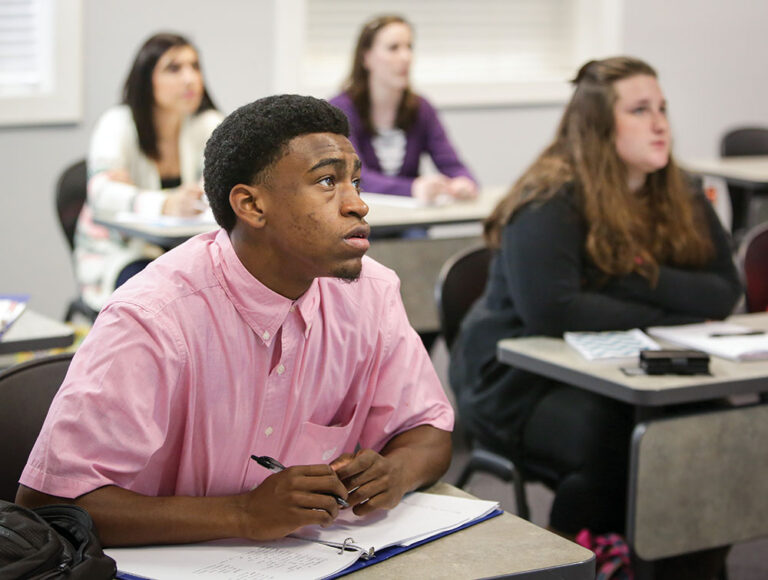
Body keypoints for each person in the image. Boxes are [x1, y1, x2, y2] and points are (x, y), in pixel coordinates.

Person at [17, 95, 453, 547]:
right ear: (251, 205)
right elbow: (46, 506)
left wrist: (395, 472)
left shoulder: (371, 294)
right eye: (327, 181)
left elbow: (431, 429)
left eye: (355, 182)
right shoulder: (153, 318)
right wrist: (242, 514)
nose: (358, 205)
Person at [449, 57, 741, 542]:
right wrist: (668, 311)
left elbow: (724, 290)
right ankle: (583, 560)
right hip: (516, 379)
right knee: (613, 440)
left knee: (712, 427)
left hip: (625, 362)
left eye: (663, 108)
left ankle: (684, 564)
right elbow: (554, 310)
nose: (660, 123)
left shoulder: (678, 188)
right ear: (600, 124)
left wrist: (637, 276)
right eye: (640, 110)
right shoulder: (550, 195)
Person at [75, 32, 224, 311]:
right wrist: (168, 203)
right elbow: (103, 194)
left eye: (195, 66)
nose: (190, 78)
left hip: (190, 250)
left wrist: (134, 195)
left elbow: (222, 188)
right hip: (121, 252)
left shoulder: (209, 124)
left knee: (223, 297)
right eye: (174, 68)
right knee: (156, 299)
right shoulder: (116, 124)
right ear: (146, 78)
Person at [329, 15, 478, 203]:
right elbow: (353, 176)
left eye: (409, 47)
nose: (406, 57)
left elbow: (452, 165)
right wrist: (412, 188)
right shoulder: (340, 110)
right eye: (393, 48)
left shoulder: (421, 108)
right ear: (366, 58)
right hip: (358, 219)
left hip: (410, 225)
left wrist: (463, 183)